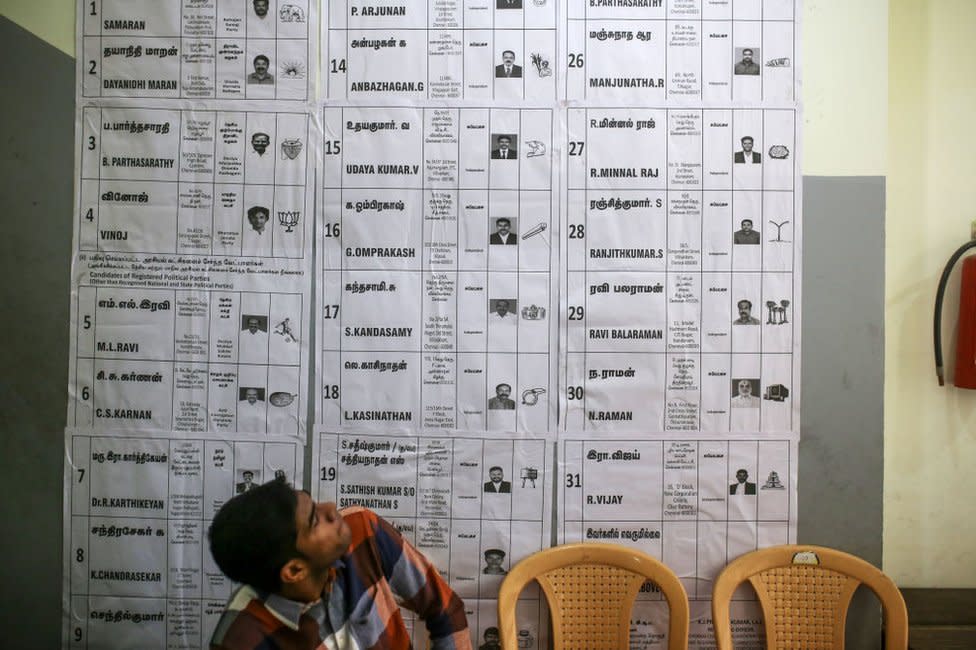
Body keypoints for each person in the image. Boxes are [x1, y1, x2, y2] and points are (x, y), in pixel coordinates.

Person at [208, 477, 472, 650]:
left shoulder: (362, 531)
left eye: (314, 502)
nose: (331, 508)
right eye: (314, 520)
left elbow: (445, 610)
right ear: (294, 570)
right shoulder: (240, 638)